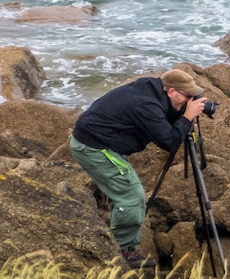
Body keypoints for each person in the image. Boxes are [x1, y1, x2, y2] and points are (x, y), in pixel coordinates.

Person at [70, 69, 208, 268]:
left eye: (192, 97)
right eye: (186, 96)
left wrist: (183, 114)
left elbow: (163, 121)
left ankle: (117, 237)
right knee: (131, 196)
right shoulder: (146, 105)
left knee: (124, 191)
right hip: (94, 147)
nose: (188, 101)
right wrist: (186, 118)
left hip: (99, 141)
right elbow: (169, 141)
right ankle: (121, 252)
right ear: (170, 91)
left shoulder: (150, 89)